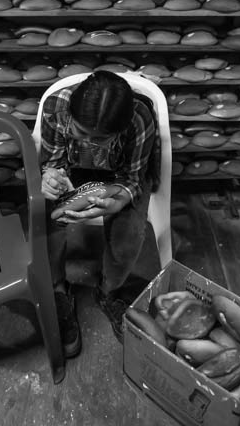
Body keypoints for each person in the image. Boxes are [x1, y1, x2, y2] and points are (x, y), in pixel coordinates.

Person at [40, 70, 159, 357]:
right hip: (75, 169)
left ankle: (109, 292)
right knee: (47, 213)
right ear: (71, 114)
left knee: (128, 229)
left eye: (102, 137)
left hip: (120, 173)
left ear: (118, 130)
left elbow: (132, 178)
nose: (92, 142)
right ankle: (58, 288)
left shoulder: (139, 117)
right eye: (82, 133)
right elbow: (52, 162)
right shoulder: (56, 106)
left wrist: (117, 201)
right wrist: (50, 176)